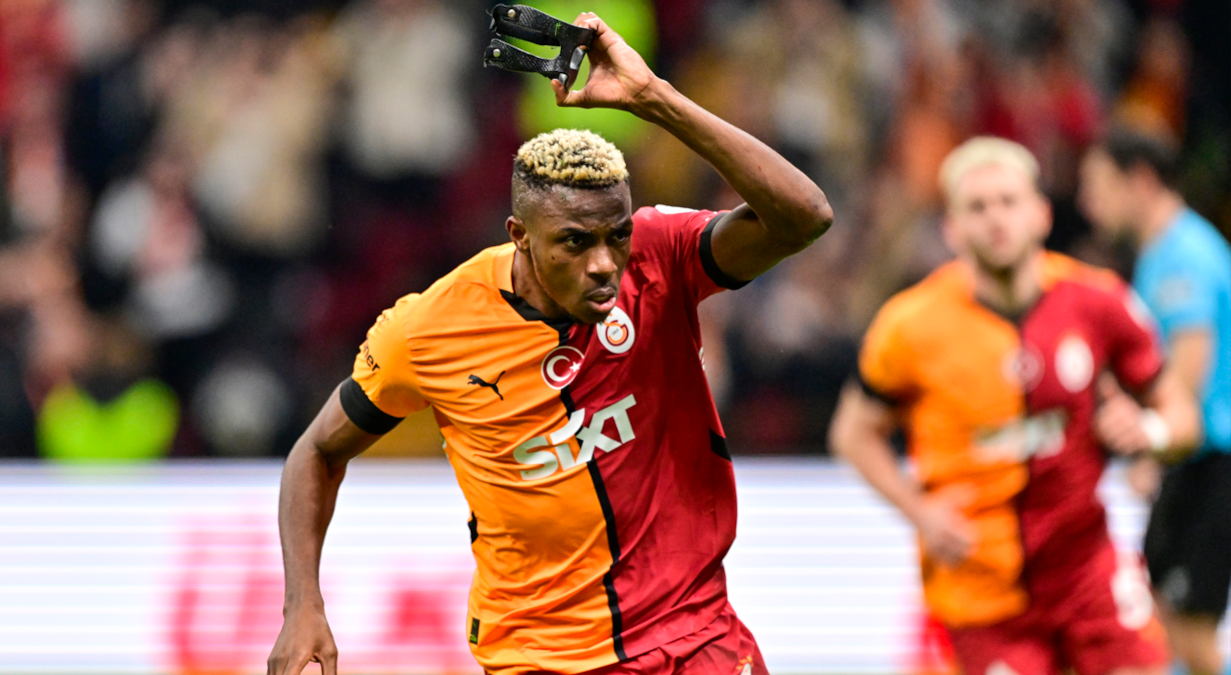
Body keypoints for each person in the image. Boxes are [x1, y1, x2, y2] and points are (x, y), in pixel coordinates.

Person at [266, 12, 833, 675]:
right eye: (575, 241)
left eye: (616, 234)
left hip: (694, 640)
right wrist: (302, 604)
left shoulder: (660, 254)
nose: (604, 264)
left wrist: (655, 99)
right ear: (520, 236)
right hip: (538, 658)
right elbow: (316, 452)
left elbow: (805, 216)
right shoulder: (428, 329)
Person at [828, 136, 1202, 675]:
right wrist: (919, 512)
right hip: (981, 589)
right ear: (952, 229)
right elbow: (851, 434)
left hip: (1086, 570)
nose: (996, 219)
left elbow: (1182, 416)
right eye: (977, 207)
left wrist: (1151, 432)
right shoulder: (909, 327)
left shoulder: (1098, 301)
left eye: (1008, 201)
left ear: (1041, 214)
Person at [1079, 127, 1231, 675]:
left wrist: (1151, 448)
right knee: (1163, 619)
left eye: (1099, 187)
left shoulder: (1184, 255)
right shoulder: (1162, 252)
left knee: (1189, 628)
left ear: (1140, 180)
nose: (1087, 203)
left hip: (1211, 461)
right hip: (1189, 461)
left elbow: (1192, 359)